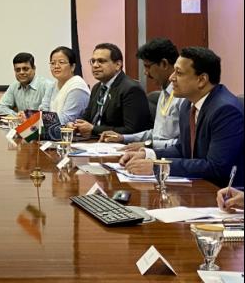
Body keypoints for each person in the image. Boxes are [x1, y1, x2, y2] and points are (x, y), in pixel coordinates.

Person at [120, 47, 244, 188]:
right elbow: (182, 149)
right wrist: (149, 154)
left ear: (202, 80)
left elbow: (215, 167)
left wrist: (159, 167)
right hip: (196, 186)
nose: (171, 78)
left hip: (222, 192)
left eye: (178, 73)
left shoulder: (225, 110)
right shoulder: (187, 104)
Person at [101, 38, 183, 150]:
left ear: (164, 64)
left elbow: (183, 144)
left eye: (148, 66)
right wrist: (123, 138)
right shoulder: (164, 93)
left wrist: (147, 145)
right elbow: (157, 134)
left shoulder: (183, 97)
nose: (145, 72)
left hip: (168, 156)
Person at [70, 43, 151, 139]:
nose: (95, 65)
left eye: (101, 61)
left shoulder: (131, 89)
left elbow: (133, 130)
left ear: (118, 65)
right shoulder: (97, 87)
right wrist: (76, 125)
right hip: (96, 142)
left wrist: (94, 129)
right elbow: (87, 118)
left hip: (121, 144)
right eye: (93, 61)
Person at [38, 46, 90, 125]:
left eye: (61, 62)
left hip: (71, 131)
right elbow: (43, 109)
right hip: (51, 129)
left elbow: (66, 119)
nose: (56, 66)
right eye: (53, 63)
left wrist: (40, 119)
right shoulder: (52, 86)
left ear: (72, 67)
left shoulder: (77, 87)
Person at [0, 52, 55, 116]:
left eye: (25, 69)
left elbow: (48, 113)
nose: (21, 72)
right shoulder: (14, 86)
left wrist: (26, 117)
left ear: (34, 68)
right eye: (18, 70)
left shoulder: (47, 86)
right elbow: (0, 108)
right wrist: (18, 115)